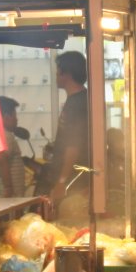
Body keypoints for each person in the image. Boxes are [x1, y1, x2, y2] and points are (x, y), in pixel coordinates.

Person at [43, 50, 89, 211]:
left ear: (66, 74)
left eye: (57, 72)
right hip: (75, 180)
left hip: (74, 184)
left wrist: (62, 182)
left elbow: (73, 146)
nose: (56, 76)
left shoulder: (77, 104)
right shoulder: (81, 99)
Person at [0, 96, 25, 198]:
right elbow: (2, 159)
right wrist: (8, 188)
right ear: (6, 117)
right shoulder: (5, 135)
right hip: (4, 196)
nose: (17, 119)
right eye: (14, 115)